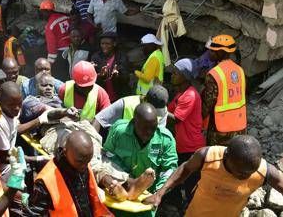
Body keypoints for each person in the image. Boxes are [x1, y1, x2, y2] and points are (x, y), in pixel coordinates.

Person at [144, 135, 283, 217]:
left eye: (250, 172)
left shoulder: (262, 170)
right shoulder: (208, 156)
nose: (245, 176)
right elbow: (185, 169)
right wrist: (160, 193)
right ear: (227, 157)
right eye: (241, 172)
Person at [102, 103, 177, 214]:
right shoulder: (119, 132)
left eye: (153, 128)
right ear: (134, 122)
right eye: (145, 128)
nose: (149, 132)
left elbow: (169, 169)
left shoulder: (165, 139)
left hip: (145, 202)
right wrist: (125, 180)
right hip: (119, 196)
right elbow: (107, 156)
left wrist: (158, 193)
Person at [24, 130, 113, 216]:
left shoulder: (83, 163)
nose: (85, 166)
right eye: (80, 161)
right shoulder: (46, 180)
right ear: (65, 152)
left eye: (88, 160)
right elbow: (32, 213)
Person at [0, 81, 61, 178]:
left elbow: (16, 128)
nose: (17, 108)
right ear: (1, 101)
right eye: (12, 105)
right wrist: (37, 159)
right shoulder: (0, 122)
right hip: (2, 171)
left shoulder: (12, 111)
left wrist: (40, 120)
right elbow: (3, 158)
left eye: (19, 103)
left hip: (12, 163)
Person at [167, 58, 205, 205]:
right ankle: (175, 205)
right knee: (176, 177)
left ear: (185, 76)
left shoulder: (190, 95)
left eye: (176, 73)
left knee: (190, 184)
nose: (172, 75)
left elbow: (175, 118)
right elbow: (169, 109)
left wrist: (156, 110)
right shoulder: (180, 95)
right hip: (182, 145)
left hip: (191, 148)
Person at [202, 35, 246, 145]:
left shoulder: (214, 74)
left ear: (221, 52)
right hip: (239, 124)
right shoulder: (240, 70)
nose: (209, 53)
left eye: (212, 51)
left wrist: (197, 120)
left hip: (220, 127)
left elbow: (207, 104)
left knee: (217, 157)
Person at [93, 84, 169, 132]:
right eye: (152, 109)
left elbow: (159, 133)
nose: (155, 114)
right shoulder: (125, 104)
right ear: (145, 100)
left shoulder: (162, 110)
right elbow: (99, 119)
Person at [91, 32, 129, 101]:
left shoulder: (121, 57)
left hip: (118, 97)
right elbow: (91, 80)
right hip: (101, 97)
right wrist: (100, 76)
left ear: (114, 44)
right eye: (102, 44)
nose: (104, 46)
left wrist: (118, 75)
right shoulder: (95, 57)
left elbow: (126, 78)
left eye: (107, 44)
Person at [40, 0, 70, 64]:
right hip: (73, 49)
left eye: (42, 12)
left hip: (62, 53)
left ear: (47, 11)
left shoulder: (50, 26)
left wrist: (50, 62)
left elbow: (51, 46)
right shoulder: (65, 17)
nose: (42, 14)